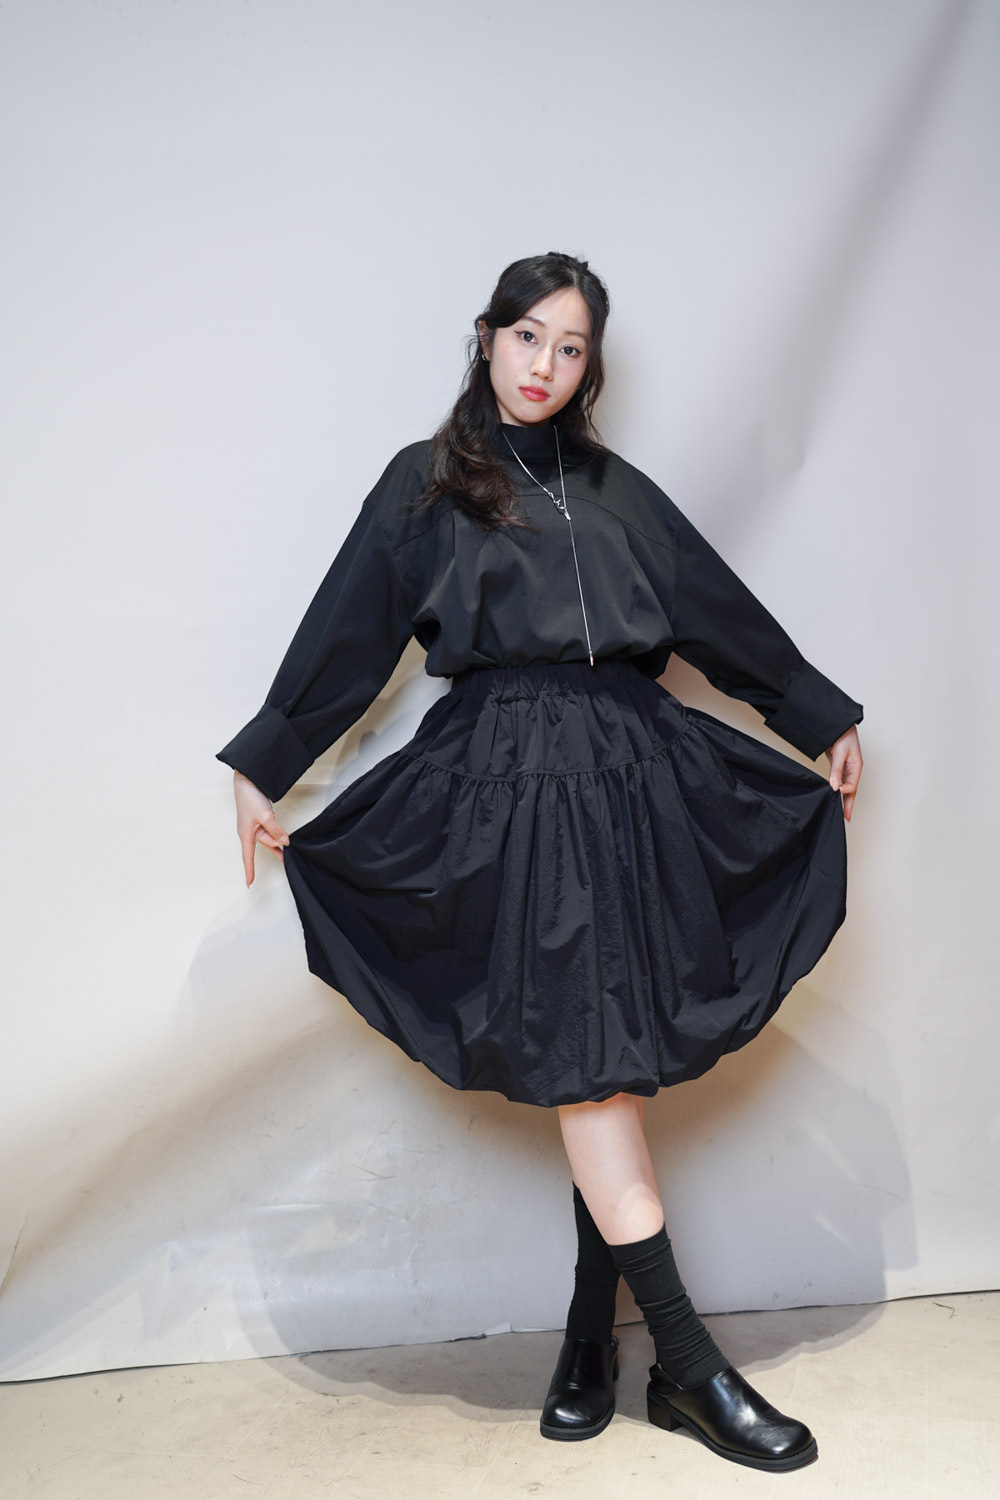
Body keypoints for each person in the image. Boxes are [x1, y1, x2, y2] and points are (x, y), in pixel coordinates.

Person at [217, 251, 863, 1473]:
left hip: (635, 778)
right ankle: (685, 1364)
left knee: (599, 1056)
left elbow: (714, 610)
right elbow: (351, 627)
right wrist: (266, 757)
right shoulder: (424, 484)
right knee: (589, 1057)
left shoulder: (617, 492)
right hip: (509, 793)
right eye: (527, 337)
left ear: (588, 365)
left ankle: (585, 1336)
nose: (544, 366)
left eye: (570, 348)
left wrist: (815, 714)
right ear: (487, 337)